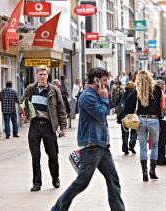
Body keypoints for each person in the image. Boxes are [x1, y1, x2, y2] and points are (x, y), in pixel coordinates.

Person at [51, 67, 125, 211]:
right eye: (104, 81)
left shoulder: (96, 94)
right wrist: (104, 98)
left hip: (102, 146)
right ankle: (57, 209)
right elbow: (101, 114)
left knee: (113, 181)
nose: (106, 84)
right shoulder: (87, 96)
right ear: (96, 80)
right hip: (91, 147)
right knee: (81, 183)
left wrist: (103, 97)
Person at [19, 65, 67, 192]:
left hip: (48, 126)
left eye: (44, 74)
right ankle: (36, 183)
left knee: (53, 155)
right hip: (34, 126)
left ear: (47, 75)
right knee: (35, 156)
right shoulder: (30, 88)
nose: (42, 76)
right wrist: (24, 114)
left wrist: (63, 127)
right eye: (40, 74)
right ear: (36, 76)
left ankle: (55, 178)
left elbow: (61, 109)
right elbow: (21, 103)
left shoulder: (54, 90)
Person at [134, 70, 161, 182]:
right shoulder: (157, 90)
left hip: (140, 119)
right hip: (153, 119)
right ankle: (152, 171)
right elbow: (160, 106)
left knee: (143, 147)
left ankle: (144, 172)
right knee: (154, 146)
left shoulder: (137, 91)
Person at [115, 81, 137, 155]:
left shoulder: (123, 93)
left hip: (124, 115)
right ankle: (131, 145)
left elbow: (117, 102)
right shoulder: (135, 93)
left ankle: (125, 149)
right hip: (133, 115)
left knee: (125, 132)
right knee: (134, 131)